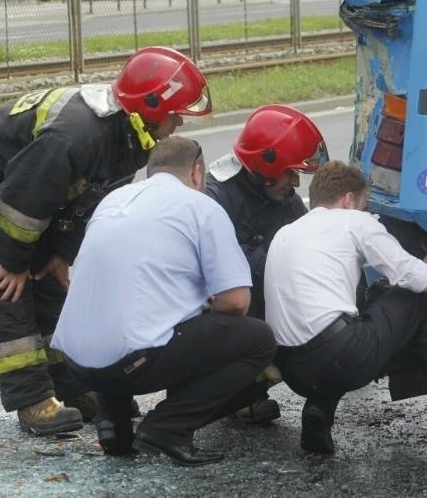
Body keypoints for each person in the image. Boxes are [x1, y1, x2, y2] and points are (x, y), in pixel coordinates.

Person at [0, 46, 212, 437]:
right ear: (152, 105)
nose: (178, 123)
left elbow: (91, 202)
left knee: (51, 286)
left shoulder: (131, 139)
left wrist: (59, 254)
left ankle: (68, 389)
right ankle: (32, 400)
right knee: (8, 291)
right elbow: (22, 201)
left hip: (33, 194)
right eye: (176, 114)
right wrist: (13, 260)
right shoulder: (74, 136)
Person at [51, 136, 277, 467]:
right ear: (197, 173)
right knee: (258, 340)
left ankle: (113, 425)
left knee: (128, 312)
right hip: (131, 363)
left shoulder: (114, 200)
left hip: (77, 364)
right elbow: (236, 301)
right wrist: (197, 308)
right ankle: (167, 428)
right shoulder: (201, 206)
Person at [264, 160, 427, 454]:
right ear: (349, 199)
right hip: (343, 359)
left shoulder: (285, 233)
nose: (366, 212)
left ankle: (319, 410)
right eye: (364, 205)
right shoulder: (353, 220)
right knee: (417, 300)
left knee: (349, 315)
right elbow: (421, 281)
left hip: (294, 372)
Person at [205, 104, 329, 424]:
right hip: (217, 311)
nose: (296, 183)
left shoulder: (280, 195)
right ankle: (224, 393)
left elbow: (309, 235)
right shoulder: (215, 197)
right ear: (265, 166)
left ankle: (247, 386)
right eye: (291, 172)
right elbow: (214, 265)